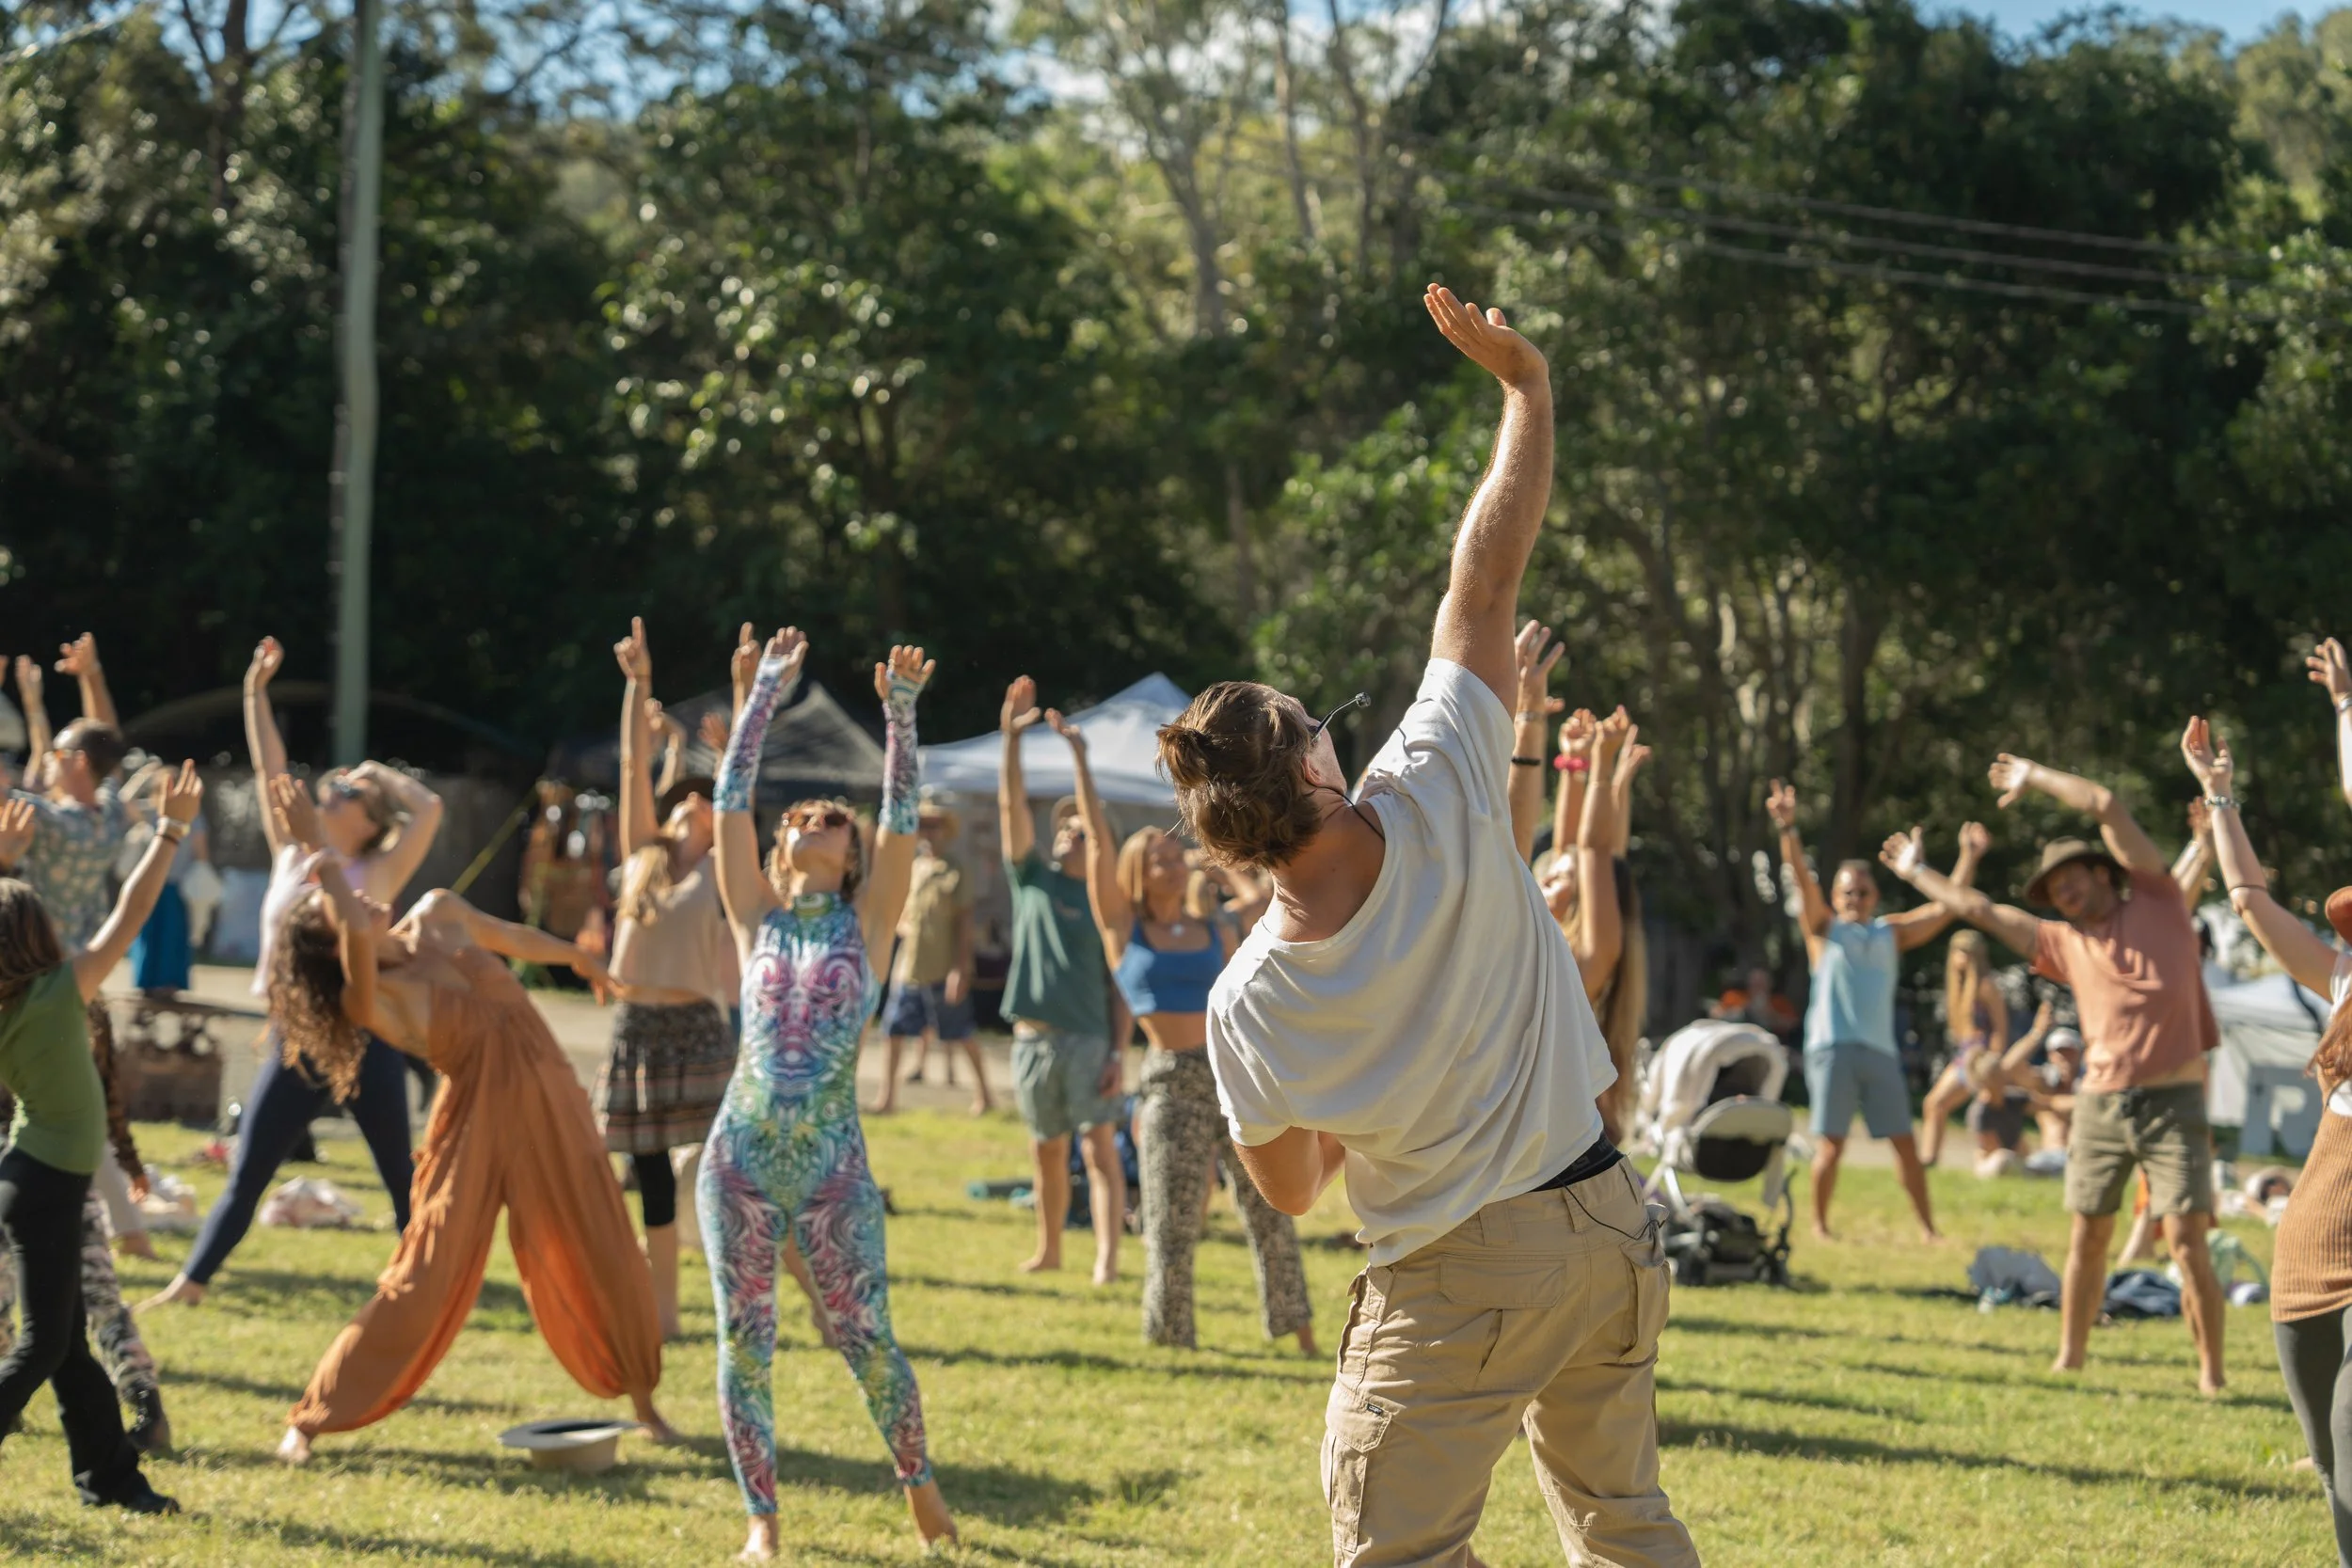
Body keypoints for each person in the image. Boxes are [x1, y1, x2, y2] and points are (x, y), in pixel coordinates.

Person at [1162, 286, 1694, 1566]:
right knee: (1625, 1528)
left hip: (1454, 1268)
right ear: (1312, 773)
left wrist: (1372, 1085)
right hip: (1607, 1221)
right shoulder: (1447, 778)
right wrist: (1527, 391)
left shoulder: (1251, 1000)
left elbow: (1291, 1184)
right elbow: (1484, 571)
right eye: (1320, 720)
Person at [267, 777, 669, 1463]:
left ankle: (643, 1401)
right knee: (423, 1273)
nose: (362, 896)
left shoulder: (438, 911)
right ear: (337, 947)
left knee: (602, 1238)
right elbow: (347, 917)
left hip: (547, 1095)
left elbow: (508, 934)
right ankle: (310, 1418)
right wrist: (317, 849)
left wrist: (576, 956)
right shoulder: (372, 995)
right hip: (476, 1119)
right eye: (344, 907)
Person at [699, 629, 955, 1558]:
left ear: (850, 859)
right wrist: (764, 689)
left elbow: (899, 812)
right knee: (744, 1339)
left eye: (834, 821)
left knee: (866, 1337)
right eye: (806, 815)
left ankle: (918, 1482)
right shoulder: (753, 916)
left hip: (835, 1165)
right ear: (783, 847)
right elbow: (729, 798)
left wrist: (899, 711)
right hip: (739, 1157)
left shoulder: (872, 920)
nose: (821, 818)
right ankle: (761, 1519)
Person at [1880, 746, 2227, 1395]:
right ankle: (2070, 1356)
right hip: (2099, 1104)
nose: (2061, 891)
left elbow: (2104, 803)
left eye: (2070, 877)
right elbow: (1979, 910)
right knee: (2087, 1236)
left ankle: (2212, 1375)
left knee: (2185, 1240)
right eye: (2051, 889)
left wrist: (2032, 776)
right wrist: (1917, 868)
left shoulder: (2160, 898)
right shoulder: (2063, 944)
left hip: (2173, 1099)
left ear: (2103, 871)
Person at [144, 637, 442, 1310]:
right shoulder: (293, 853)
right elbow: (268, 765)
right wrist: (255, 691)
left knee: (399, 1174)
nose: (332, 791)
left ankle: (427, 1286)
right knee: (247, 1171)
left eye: (348, 794)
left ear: (370, 825)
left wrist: (377, 773)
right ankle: (187, 1284)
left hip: (364, 1032)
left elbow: (429, 810)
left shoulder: (378, 870)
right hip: (296, 1035)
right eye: (334, 786)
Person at [1057, 712, 1314, 1356]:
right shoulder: (1124, 931)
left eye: (1178, 854)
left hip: (1234, 1075)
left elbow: (1264, 897)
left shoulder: (1215, 927)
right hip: (1169, 1079)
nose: (1174, 864)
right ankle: (1172, 1336)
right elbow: (1097, 836)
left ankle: (1301, 1333)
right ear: (1139, 873)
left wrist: (1220, 867)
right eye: (1162, 859)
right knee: (1170, 1220)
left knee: (1268, 1210)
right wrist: (1082, 762)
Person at [0, 760, 202, 1514]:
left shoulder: (14, 997)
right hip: (46, 1181)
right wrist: (171, 829)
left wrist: (3, 868)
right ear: (34, 939)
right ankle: (112, 1477)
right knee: (42, 1347)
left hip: (35, 1178)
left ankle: (111, 1479)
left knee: (70, 1348)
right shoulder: (58, 992)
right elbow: (134, 904)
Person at [2179, 711, 2352, 1553]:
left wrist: (2349, 716)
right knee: (2330, 1465)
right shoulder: (2343, 978)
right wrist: (2220, 796)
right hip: (2307, 1254)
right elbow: (2248, 899)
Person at [1766, 781, 1982, 1240]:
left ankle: (1928, 1229)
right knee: (1832, 1144)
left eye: (1862, 892)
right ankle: (1821, 1227)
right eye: (1847, 892)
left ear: (1875, 897)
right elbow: (1802, 880)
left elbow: (1947, 907)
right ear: (1837, 896)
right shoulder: (1823, 930)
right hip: (1833, 1049)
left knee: (1905, 1144)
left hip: (1879, 1050)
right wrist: (1789, 828)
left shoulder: (1891, 932)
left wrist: (1970, 857)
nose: (1854, 899)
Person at [605, 619, 740, 1340]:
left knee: (730, 1170)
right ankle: (665, 1313)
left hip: (695, 1026)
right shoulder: (642, 856)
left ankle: (758, 1294)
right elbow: (633, 770)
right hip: (637, 1029)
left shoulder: (721, 870)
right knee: (651, 1179)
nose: (692, 800)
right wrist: (639, 687)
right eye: (686, 795)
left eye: (706, 797)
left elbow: (741, 806)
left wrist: (730, 755)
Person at [998, 676, 1126, 1283]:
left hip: (1087, 1038)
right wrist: (1010, 741)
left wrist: (1079, 758)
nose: (1070, 833)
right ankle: (1049, 1250)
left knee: (1097, 1149)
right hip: (1032, 1038)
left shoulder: (1106, 895)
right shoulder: (1033, 881)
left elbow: (1100, 834)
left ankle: (1105, 1257)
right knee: (1045, 1149)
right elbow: (1010, 809)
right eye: (1064, 828)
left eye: (1079, 830)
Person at [1532, 703, 1653, 1143]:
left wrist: (1603, 767)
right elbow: (1569, 845)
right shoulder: (1546, 942)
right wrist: (1573, 765)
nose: (1545, 877)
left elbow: (1594, 851)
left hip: (1571, 1146)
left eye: (1562, 877)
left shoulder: (1588, 959)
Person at [876, 794, 986, 1116]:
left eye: (935, 825)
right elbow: (901, 914)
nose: (929, 831)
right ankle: (887, 1098)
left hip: (942, 967)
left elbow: (965, 922)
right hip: (909, 966)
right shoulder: (914, 867)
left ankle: (985, 1094)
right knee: (893, 1032)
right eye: (924, 825)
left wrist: (961, 969)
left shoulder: (955, 868)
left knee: (962, 1033)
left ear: (945, 830)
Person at [1919, 931, 2010, 1167]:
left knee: (1988, 1116)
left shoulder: (1987, 987)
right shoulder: (1956, 988)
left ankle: (2004, 1161)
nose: (1964, 958)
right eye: (1960, 952)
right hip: (1964, 1058)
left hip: (1982, 1061)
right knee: (1934, 1104)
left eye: (1969, 953)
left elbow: (2000, 1030)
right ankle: (1929, 1159)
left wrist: (1993, 1067)